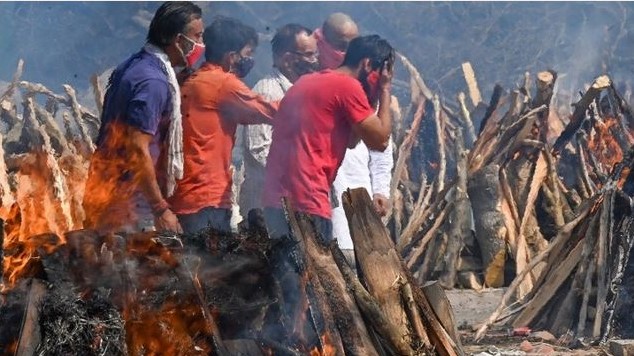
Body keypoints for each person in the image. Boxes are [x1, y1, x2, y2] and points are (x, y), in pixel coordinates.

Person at [83, 1, 204, 234]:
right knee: (133, 267)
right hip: (129, 201)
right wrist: (160, 208)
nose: (200, 45)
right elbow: (138, 149)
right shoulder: (153, 82)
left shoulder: (135, 65)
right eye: (197, 37)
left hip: (107, 189)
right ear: (178, 40)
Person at [262, 35, 395, 242]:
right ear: (368, 64)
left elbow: (352, 140)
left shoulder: (307, 81)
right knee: (309, 273)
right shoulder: (347, 87)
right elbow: (380, 141)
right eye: (382, 74)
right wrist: (385, 90)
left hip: (276, 201)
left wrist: (372, 96)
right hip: (307, 201)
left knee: (283, 271)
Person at [168, 17, 277, 235]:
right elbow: (273, 112)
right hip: (207, 200)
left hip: (183, 196)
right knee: (210, 266)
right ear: (231, 56)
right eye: (248, 54)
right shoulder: (223, 84)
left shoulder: (194, 80)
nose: (250, 60)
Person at [317, 13, 395, 263]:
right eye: (340, 45)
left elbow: (381, 148)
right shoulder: (313, 85)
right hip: (320, 195)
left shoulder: (368, 95)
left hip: (359, 194)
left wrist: (381, 189)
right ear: (322, 41)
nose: (344, 52)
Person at [238, 23, 318, 219]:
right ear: (287, 59)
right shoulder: (267, 91)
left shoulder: (306, 91)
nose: (315, 60)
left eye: (315, 54)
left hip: (297, 205)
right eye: (309, 55)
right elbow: (259, 150)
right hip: (268, 209)